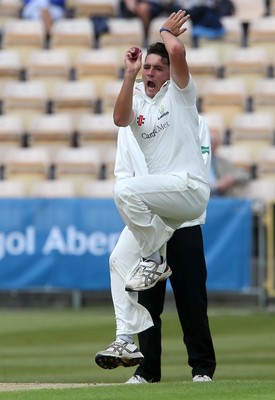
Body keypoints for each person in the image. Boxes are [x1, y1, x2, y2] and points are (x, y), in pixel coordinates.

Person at [95, 9, 211, 372]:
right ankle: (127, 339)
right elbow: (119, 118)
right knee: (117, 262)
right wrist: (128, 74)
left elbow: (177, 53)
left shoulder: (181, 96)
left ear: (168, 76)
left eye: (156, 69)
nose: (151, 73)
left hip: (188, 191)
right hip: (162, 206)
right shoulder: (139, 104)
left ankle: (202, 369)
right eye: (148, 68)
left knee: (124, 192)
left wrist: (163, 30)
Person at [209, 131, 250, 197]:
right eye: (210, 140)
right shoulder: (195, 162)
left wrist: (232, 178)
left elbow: (244, 174)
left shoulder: (224, 162)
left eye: (215, 141)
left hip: (221, 199)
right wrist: (217, 186)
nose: (212, 144)